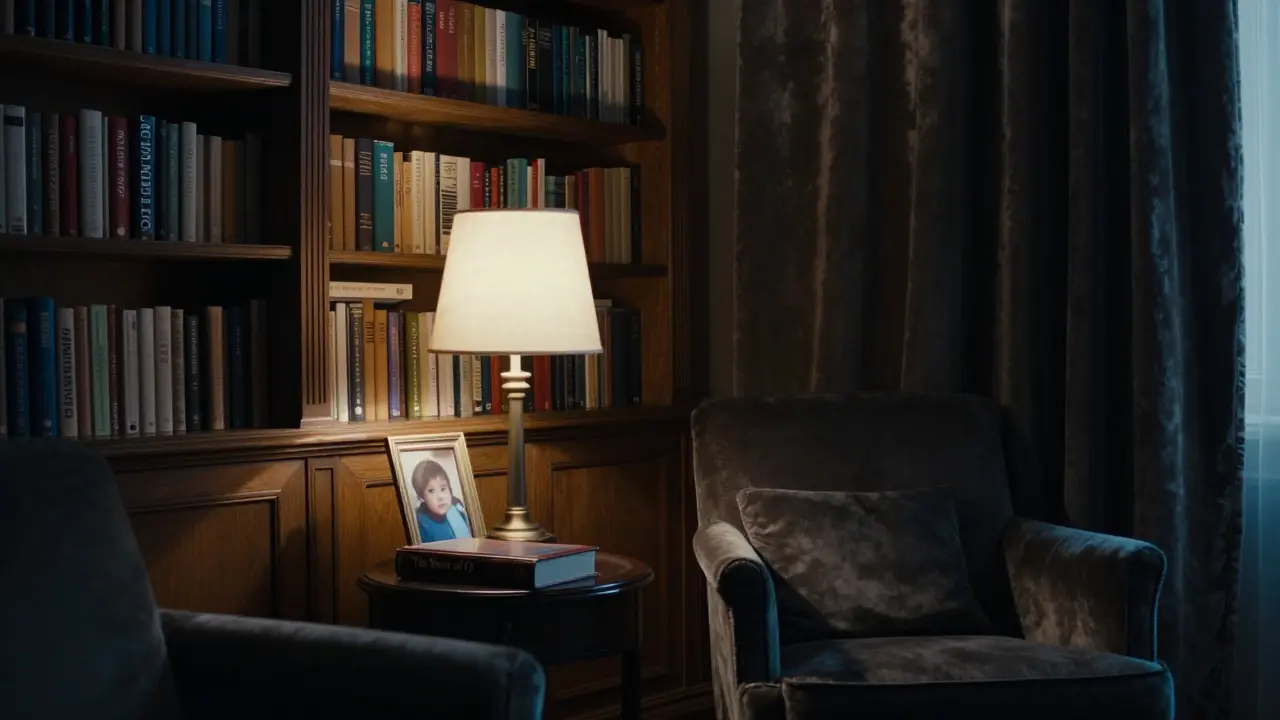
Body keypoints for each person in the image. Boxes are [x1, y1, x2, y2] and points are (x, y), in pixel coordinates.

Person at [410, 458, 472, 542]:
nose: (440, 497)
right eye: (431, 491)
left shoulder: (458, 511)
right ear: (422, 497)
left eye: (443, 489)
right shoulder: (421, 524)